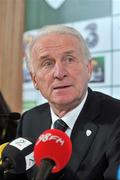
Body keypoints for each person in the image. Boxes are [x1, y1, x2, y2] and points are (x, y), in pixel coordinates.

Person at [17, 25, 120, 180]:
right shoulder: (29, 120)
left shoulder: (116, 117)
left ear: (89, 69)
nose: (59, 73)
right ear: (34, 80)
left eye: (69, 59)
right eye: (47, 63)